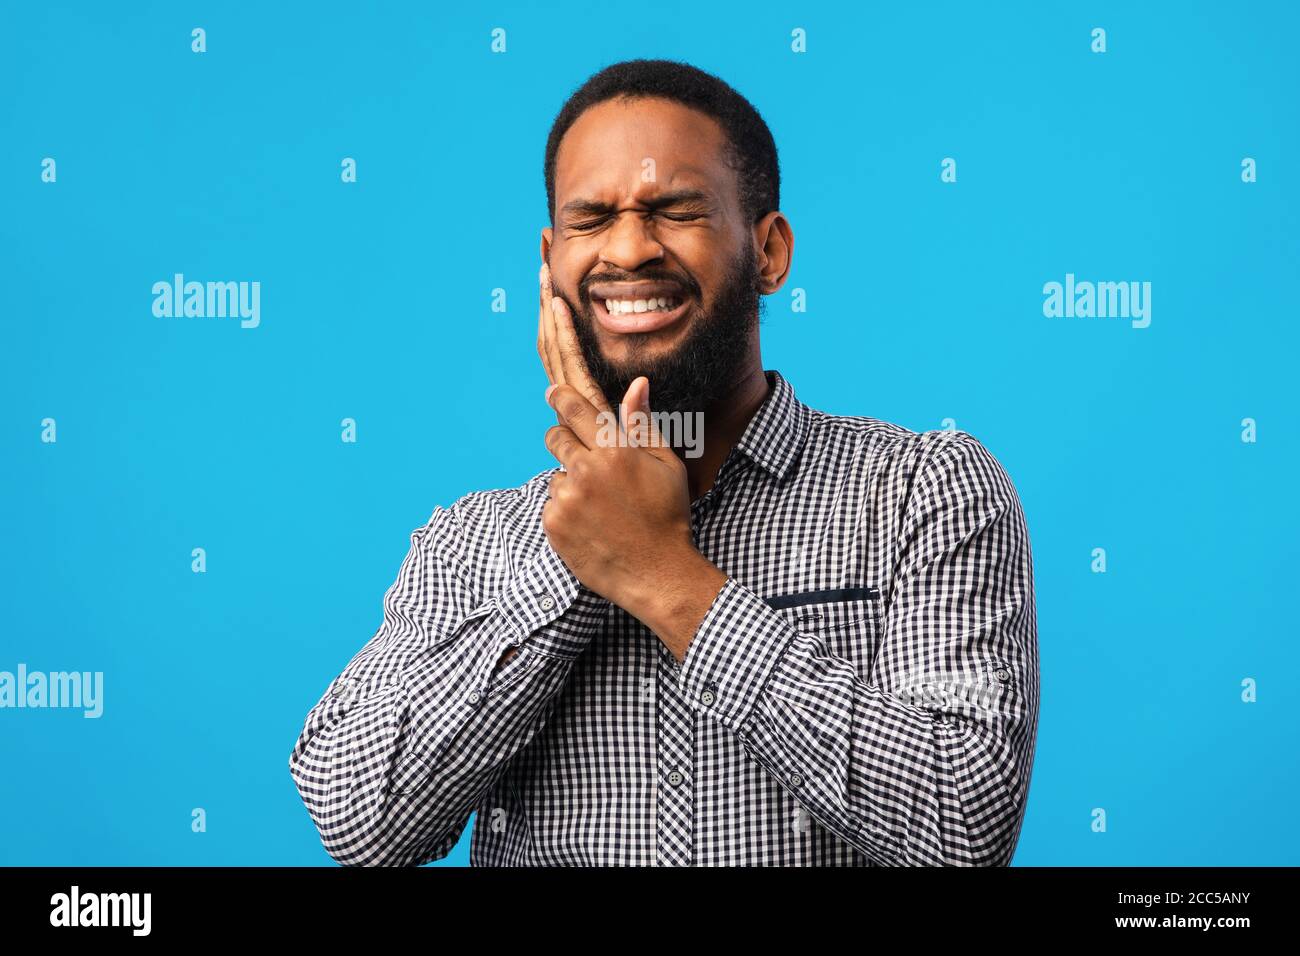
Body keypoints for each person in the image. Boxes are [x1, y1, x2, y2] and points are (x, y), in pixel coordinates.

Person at [288, 58, 1039, 866]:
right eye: (591, 219)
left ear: (771, 251)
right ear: (549, 266)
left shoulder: (925, 491)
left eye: (676, 210)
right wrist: (572, 565)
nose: (628, 250)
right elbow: (360, 819)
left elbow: (964, 826)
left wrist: (664, 577)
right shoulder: (471, 541)